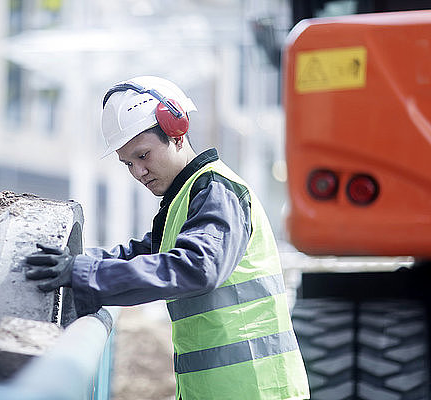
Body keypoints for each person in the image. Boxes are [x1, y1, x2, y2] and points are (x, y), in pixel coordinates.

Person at [26, 76, 310, 400]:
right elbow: (143, 255)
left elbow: (196, 267)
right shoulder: (186, 200)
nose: (137, 172)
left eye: (143, 155)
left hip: (256, 390)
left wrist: (82, 273)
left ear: (176, 131)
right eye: (127, 163)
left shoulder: (217, 190)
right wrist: (74, 262)